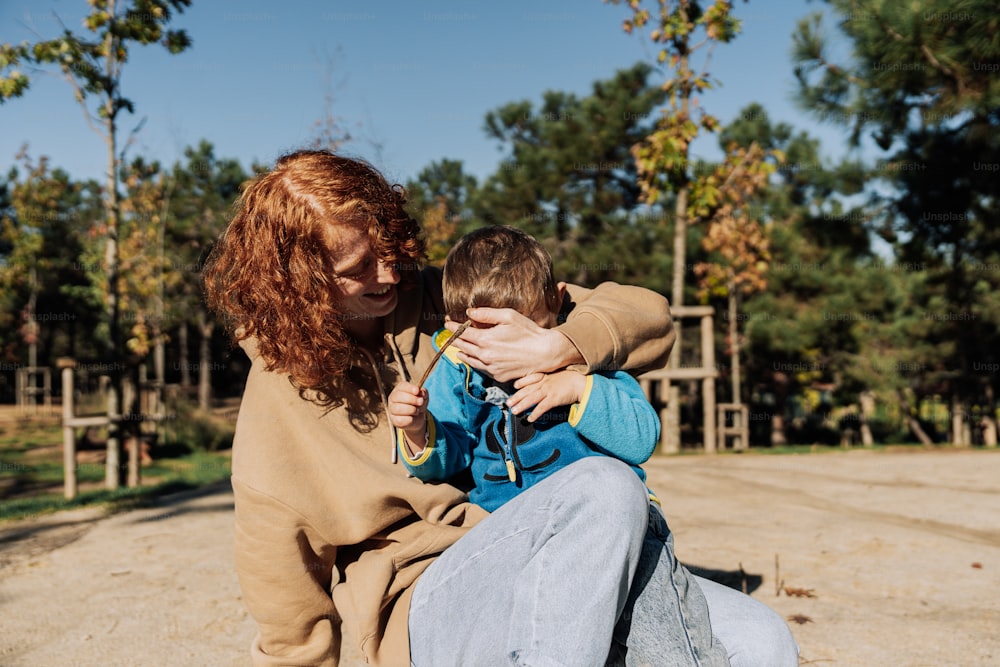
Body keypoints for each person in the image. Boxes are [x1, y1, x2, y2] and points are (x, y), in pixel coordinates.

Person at [202, 149, 798, 667]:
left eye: (390, 250)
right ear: (299, 280)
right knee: (608, 487)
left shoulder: (452, 298)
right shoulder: (282, 390)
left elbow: (648, 317)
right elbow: (280, 577)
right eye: (358, 267)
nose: (389, 273)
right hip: (430, 598)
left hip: (550, 554)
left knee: (761, 642)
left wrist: (561, 345)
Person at [389, 225, 732, 665]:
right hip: (517, 536)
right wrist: (419, 430)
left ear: (558, 300)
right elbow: (447, 462)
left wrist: (577, 389)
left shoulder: (589, 365)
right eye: (487, 337)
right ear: (458, 326)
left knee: (668, 646)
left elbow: (641, 436)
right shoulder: (457, 373)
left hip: (622, 536)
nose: (505, 355)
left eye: (525, 331)